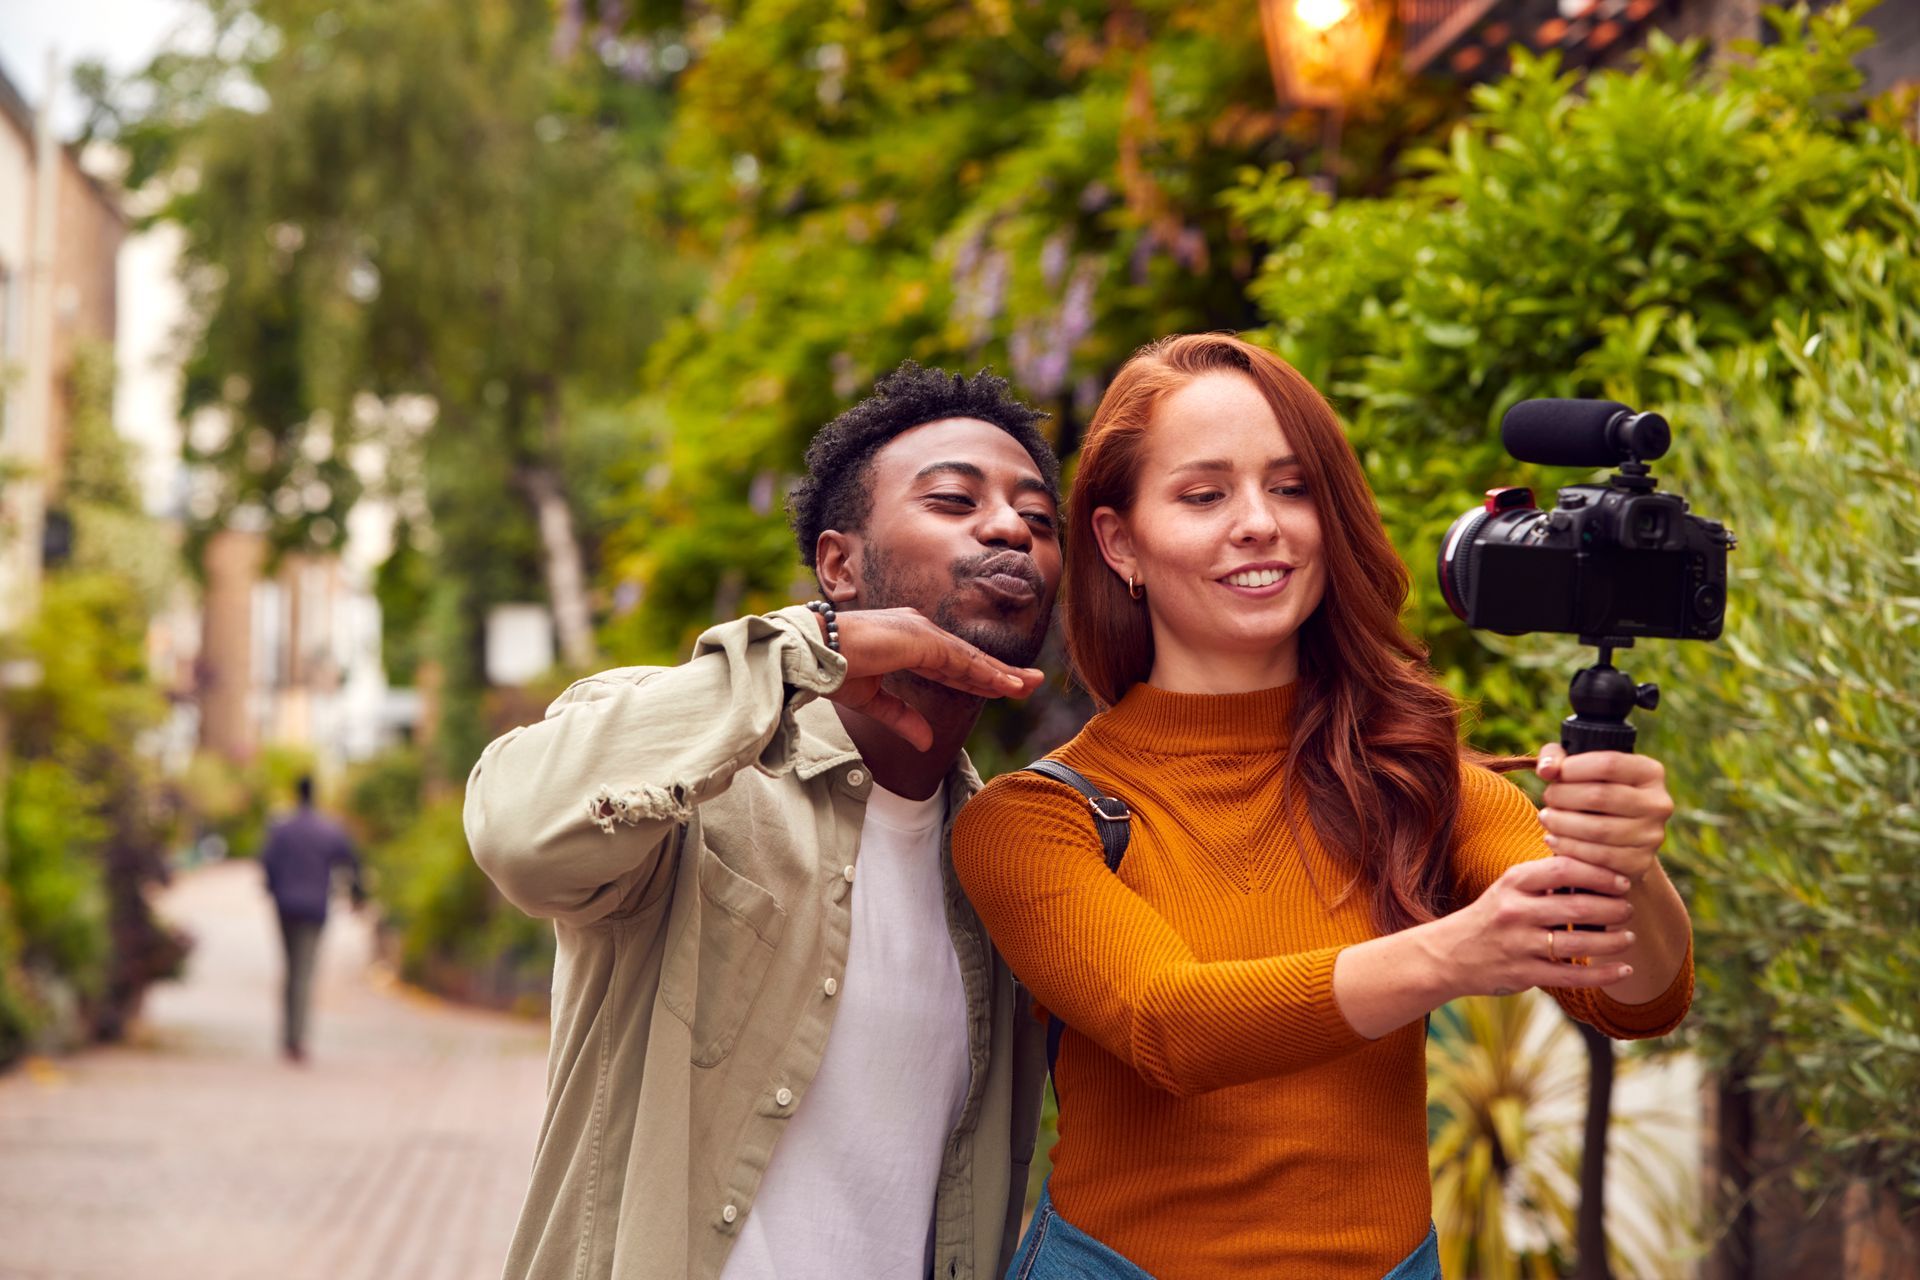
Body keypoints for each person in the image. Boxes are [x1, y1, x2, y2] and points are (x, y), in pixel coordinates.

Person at [951, 333, 1694, 1280]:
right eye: (1204, 494)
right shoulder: (1035, 818)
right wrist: (1453, 952)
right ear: (1120, 542)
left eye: (1292, 487)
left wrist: (1627, 866)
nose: (1260, 523)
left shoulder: (1424, 783)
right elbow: (1169, 1025)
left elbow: (1633, 995)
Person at [464, 362, 1064, 1280]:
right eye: (953, 498)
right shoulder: (697, 780)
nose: (1009, 529)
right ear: (839, 565)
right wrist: (802, 651)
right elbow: (514, 829)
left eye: (1039, 518)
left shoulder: (1008, 868)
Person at [261, 774, 364, 1063]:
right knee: (304, 972)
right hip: (315, 909)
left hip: (285, 907)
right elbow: (351, 862)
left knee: (291, 969)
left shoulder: (282, 829)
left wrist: (273, 887)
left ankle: (288, 1037)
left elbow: (267, 863)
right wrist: (358, 894)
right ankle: (298, 1040)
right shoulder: (328, 829)